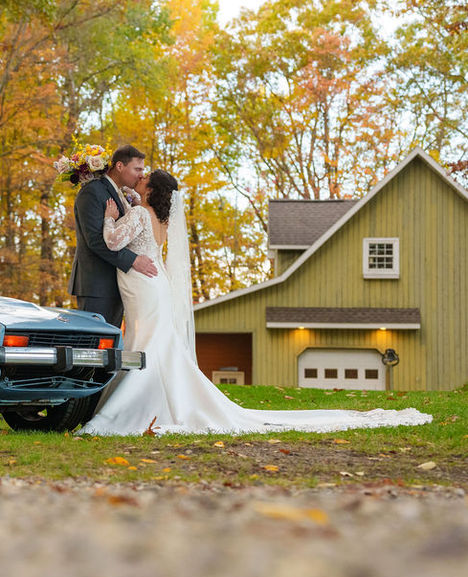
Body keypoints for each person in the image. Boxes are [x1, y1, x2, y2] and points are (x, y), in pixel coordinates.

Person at [79, 170, 432, 435]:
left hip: (143, 284)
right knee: (155, 341)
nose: (138, 181)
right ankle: (169, 399)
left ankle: (136, 405)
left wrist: (110, 217)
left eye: (144, 180)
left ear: (151, 190)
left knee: (150, 343)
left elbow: (111, 241)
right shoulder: (161, 219)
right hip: (154, 285)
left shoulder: (139, 214)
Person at [69, 144, 158, 326]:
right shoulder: (92, 192)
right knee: (94, 347)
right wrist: (133, 260)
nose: (141, 175)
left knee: (111, 347)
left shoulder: (124, 195)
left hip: (118, 284)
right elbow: (94, 240)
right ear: (119, 166)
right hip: (96, 285)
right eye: (137, 169)